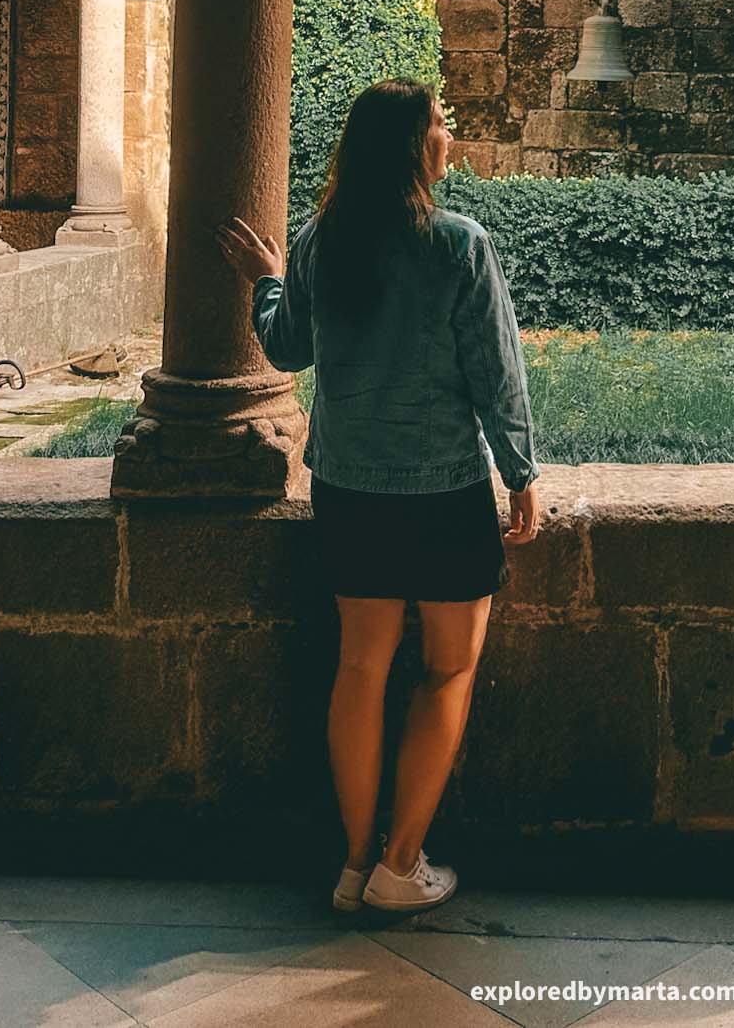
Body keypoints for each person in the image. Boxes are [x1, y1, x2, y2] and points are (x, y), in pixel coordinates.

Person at [214, 78, 540, 917]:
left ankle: (353, 864)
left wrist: (268, 280)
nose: (448, 135)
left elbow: (287, 350)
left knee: (359, 668)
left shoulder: (323, 239)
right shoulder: (459, 244)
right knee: (448, 668)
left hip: (350, 489)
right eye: (438, 124)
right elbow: (495, 373)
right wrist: (522, 474)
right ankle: (403, 863)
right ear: (410, 145)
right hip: (443, 488)